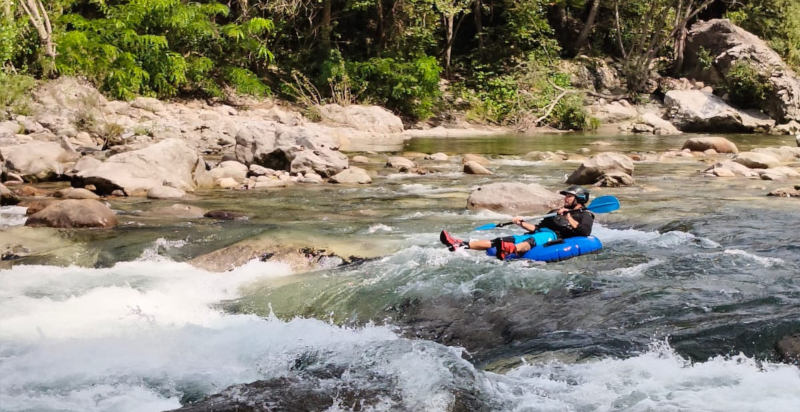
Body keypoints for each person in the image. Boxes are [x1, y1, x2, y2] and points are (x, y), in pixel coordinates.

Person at [440, 185, 594, 260]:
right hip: (540, 232)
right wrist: (521, 223)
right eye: (566, 195)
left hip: (552, 236)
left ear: (579, 199)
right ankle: (460, 243)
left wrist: (568, 217)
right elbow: (536, 228)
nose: (565, 198)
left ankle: (509, 251)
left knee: (531, 241)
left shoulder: (585, 215)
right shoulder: (555, 212)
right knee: (499, 240)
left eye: (569, 196)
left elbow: (584, 232)